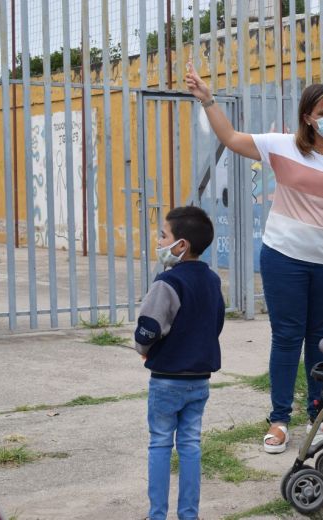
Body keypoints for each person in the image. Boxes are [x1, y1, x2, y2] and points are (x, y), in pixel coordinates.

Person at [185, 64, 323, 454]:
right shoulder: (282, 145)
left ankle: (320, 411)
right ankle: (279, 419)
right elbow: (231, 137)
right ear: (307, 117)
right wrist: (207, 100)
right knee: (288, 337)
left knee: (322, 339)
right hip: (284, 258)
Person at [135, 206, 225, 520]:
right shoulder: (212, 280)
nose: (159, 240)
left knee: (160, 443)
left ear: (181, 244)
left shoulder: (167, 282)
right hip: (199, 380)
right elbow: (216, 323)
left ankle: (157, 515)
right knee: (190, 444)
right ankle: (189, 514)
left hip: (166, 379)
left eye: (164, 235)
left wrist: (142, 347)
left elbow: (149, 325)